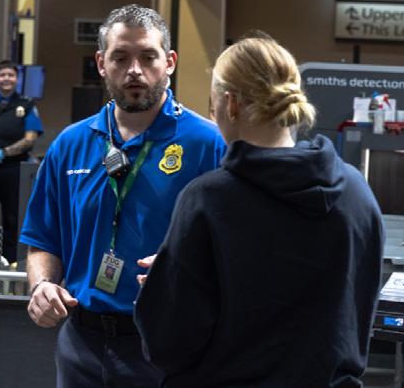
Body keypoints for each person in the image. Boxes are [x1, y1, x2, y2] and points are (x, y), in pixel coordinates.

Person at [134, 36, 385, 387]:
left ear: (230, 103)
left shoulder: (208, 200)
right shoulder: (356, 193)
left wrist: (164, 288)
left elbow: (171, 345)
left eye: (212, 105)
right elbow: (358, 318)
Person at [20, 4, 226, 387]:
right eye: (120, 57)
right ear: (101, 63)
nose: (134, 70)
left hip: (167, 344)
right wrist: (42, 285)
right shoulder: (70, 144)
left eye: (147, 57)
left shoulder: (208, 144)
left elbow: (233, 249)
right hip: (81, 344)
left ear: (170, 62)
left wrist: (184, 271)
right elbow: (42, 240)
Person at [0, 59, 43, 263]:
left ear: (17, 79)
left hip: (14, 169)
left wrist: (3, 153)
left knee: (13, 217)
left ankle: (12, 262)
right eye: (2, 75)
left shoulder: (26, 104)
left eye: (11, 75)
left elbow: (30, 138)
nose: (6, 78)